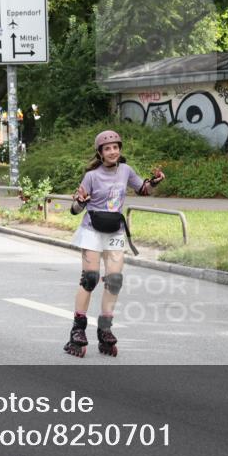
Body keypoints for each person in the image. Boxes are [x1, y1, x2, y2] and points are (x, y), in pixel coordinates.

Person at [64, 129, 164, 358]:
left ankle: (105, 328)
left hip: (115, 231)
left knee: (114, 281)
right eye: (107, 148)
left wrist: (154, 182)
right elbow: (75, 209)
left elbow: (143, 189)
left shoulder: (126, 170)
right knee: (89, 278)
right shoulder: (91, 176)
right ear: (100, 153)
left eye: (115, 147)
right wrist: (79, 202)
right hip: (91, 229)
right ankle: (78, 330)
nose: (112, 151)